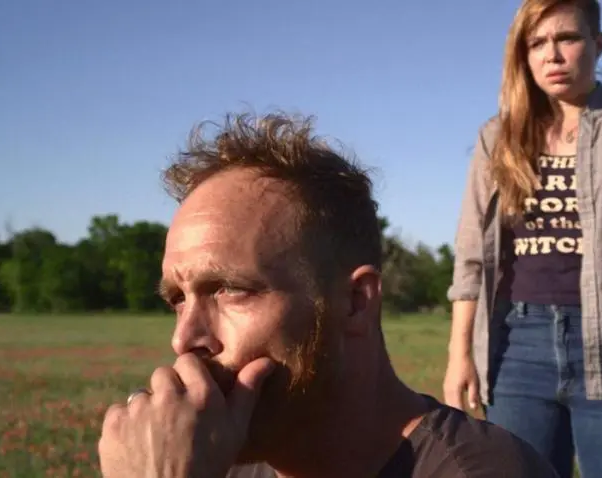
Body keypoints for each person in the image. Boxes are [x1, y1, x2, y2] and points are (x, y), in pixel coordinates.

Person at [96, 112, 560, 478]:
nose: (184, 340)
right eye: (178, 299)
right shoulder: (212, 458)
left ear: (356, 302)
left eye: (230, 290)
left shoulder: (480, 472)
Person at [443, 0, 602, 477]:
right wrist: (460, 356)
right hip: (516, 351)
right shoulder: (498, 138)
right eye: (537, 43)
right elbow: (472, 259)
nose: (553, 55)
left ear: (598, 44)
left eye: (568, 38)